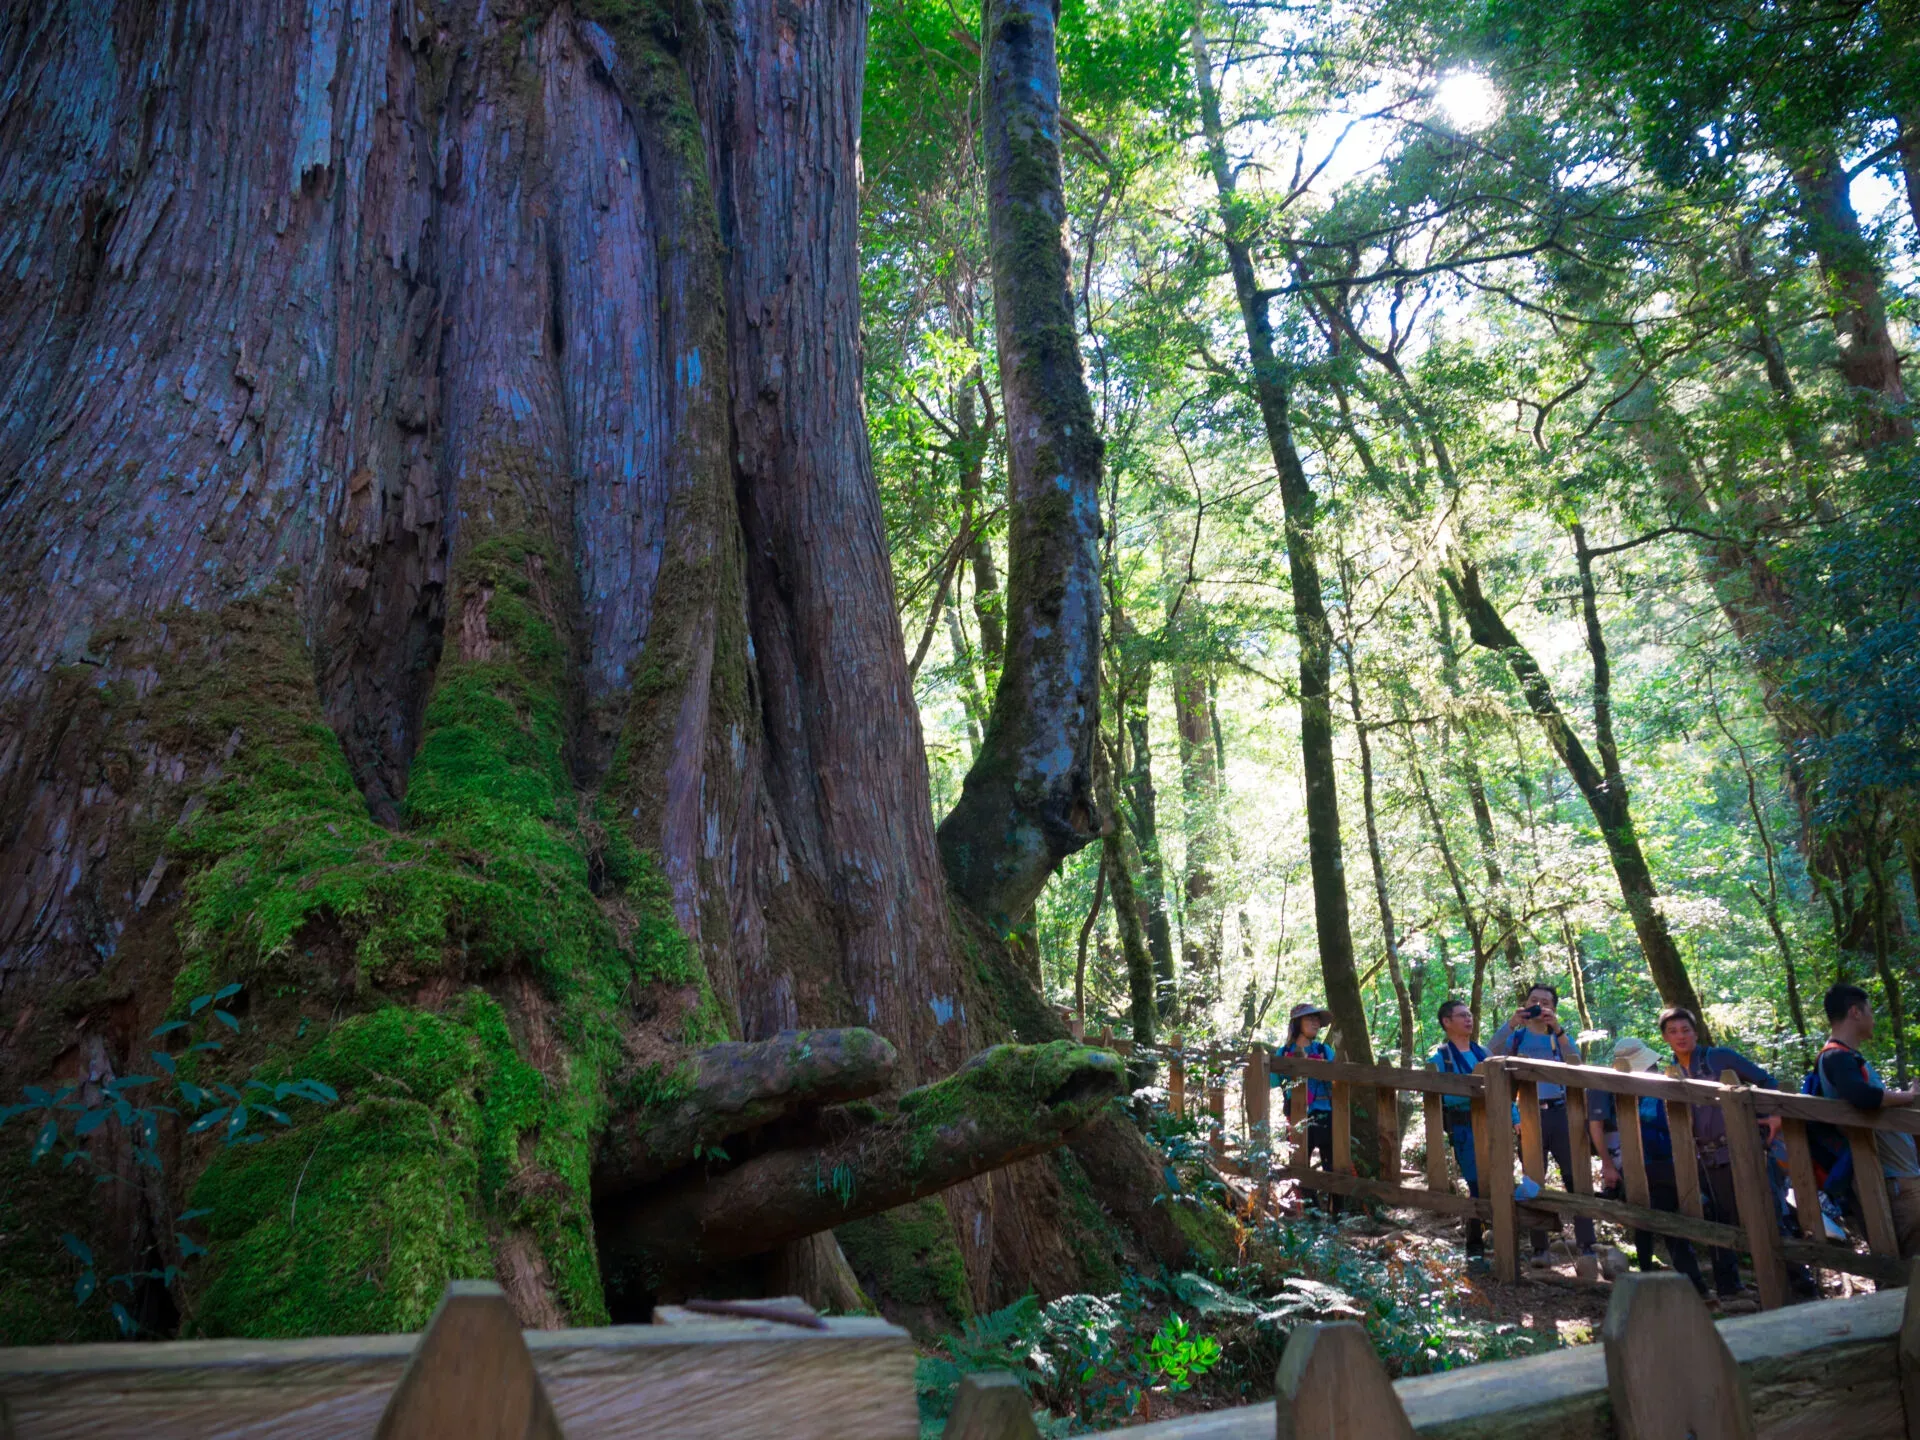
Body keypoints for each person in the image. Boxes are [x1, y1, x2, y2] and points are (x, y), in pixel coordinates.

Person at [1658, 1006, 1785, 1302]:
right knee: (1718, 1218)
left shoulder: (1719, 1057)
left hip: (1742, 1150)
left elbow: (1767, 1081)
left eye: (1685, 1029)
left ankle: (1797, 1283)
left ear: (1696, 1032)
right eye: (1673, 1031)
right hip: (1703, 1156)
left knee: (1768, 1214)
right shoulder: (1672, 1069)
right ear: (1665, 1037)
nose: (1680, 1036)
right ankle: (1729, 1287)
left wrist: (1775, 1114)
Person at [1586, 1036, 1713, 1293]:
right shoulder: (1609, 1088)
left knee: (1655, 1213)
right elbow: (1598, 1126)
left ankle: (1657, 1278)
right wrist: (1609, 1164)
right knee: (1653, 1214)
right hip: (1637, 1161)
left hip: (1663, 1159)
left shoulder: (1655, 1083)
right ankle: (1690, 1282)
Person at [1490, 982, 1596, 1265]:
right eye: (1533, 1000)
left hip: (1561, 1114)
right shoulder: (1516, 1037)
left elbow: (1575, 1063)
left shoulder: (1557, 1037)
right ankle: (1541, 1248)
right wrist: (1510, 1023)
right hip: (1527, 1115)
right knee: (1533, 1179)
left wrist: (1558, 1029)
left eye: (1545, 1001)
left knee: (1576, 1175)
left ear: (1553, 1007)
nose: (1538, 1005)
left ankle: (1587, 1244)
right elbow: (1489, 1053)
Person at [1816, 983, 1920, 1257]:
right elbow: (1861, 1096)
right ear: (1855, 1012)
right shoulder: (1836, 1057)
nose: (1873, 1018)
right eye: (1870, 1011)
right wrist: (1908, 1096)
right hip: (1891, 1182)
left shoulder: (1846, 1057)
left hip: (1896, 1177)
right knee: (1908, 1266)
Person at [1428, 998, 1488, 1260]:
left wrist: (1515, 1117)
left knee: (1497, 1180)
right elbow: (1443, 1097)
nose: (1469, 1019)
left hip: (1491, 1124)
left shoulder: (1483, 1054)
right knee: (1476, 1183)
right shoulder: (1440, 1058)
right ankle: (1474, 1246)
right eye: (1462, 1015)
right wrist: (1472, 1092)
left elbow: (1502, 1090)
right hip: (1463, 1127)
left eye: (1470, 1014)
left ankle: (1496, 1236)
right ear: (1446, 1022)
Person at [1278, 1002, 1339, 1214]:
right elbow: (1270, 1081)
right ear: (1297, 1024)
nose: (1315, 1023)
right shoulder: (1284, 1052)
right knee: (1300, 1166)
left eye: (1317, 1020)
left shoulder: (1324, 1050)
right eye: (1309, 1019)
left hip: (1325, 1113)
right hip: (1297, 1118)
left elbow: (1337, 1081)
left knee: (1332, 1166)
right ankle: (1313, 1215)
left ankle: (1336, 1217)